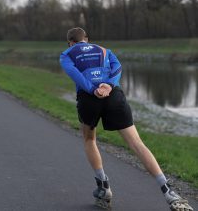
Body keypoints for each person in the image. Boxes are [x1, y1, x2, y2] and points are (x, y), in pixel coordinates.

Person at [59, 27, 193, 210]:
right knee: (137, 143)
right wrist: (108, 86)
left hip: (89, 99)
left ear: (71, 43)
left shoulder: (66, 54)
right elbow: (117, 68)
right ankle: (168, 191)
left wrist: (93, 89)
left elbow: (75, 75)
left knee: (90, 139)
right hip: (113, 95)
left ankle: (103, 187)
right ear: (87, 39)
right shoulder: (105, 50)